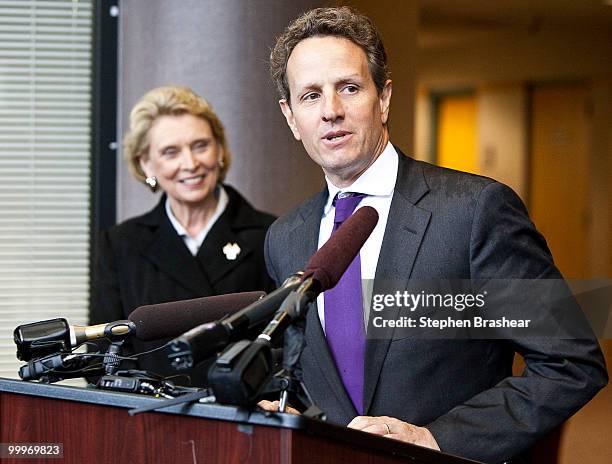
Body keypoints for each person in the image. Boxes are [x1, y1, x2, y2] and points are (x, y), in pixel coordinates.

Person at [263, 7, 607, 463]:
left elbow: (571, 362)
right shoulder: (285, 238)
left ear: (383, 98)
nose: (331, 111)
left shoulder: (474, 211)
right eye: (310, 96)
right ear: (291, 117)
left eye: (349, 88)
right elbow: (309, 377)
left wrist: (437, 439)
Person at [90, 85, 275, 386]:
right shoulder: (120, 244)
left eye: (200, 145)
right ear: (145, 163)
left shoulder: (270, 235)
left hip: (245, 420)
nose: (190, 163)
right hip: (153, 420)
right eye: (171, 152)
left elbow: (286, 347)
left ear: (219, 151)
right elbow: (104, 357)